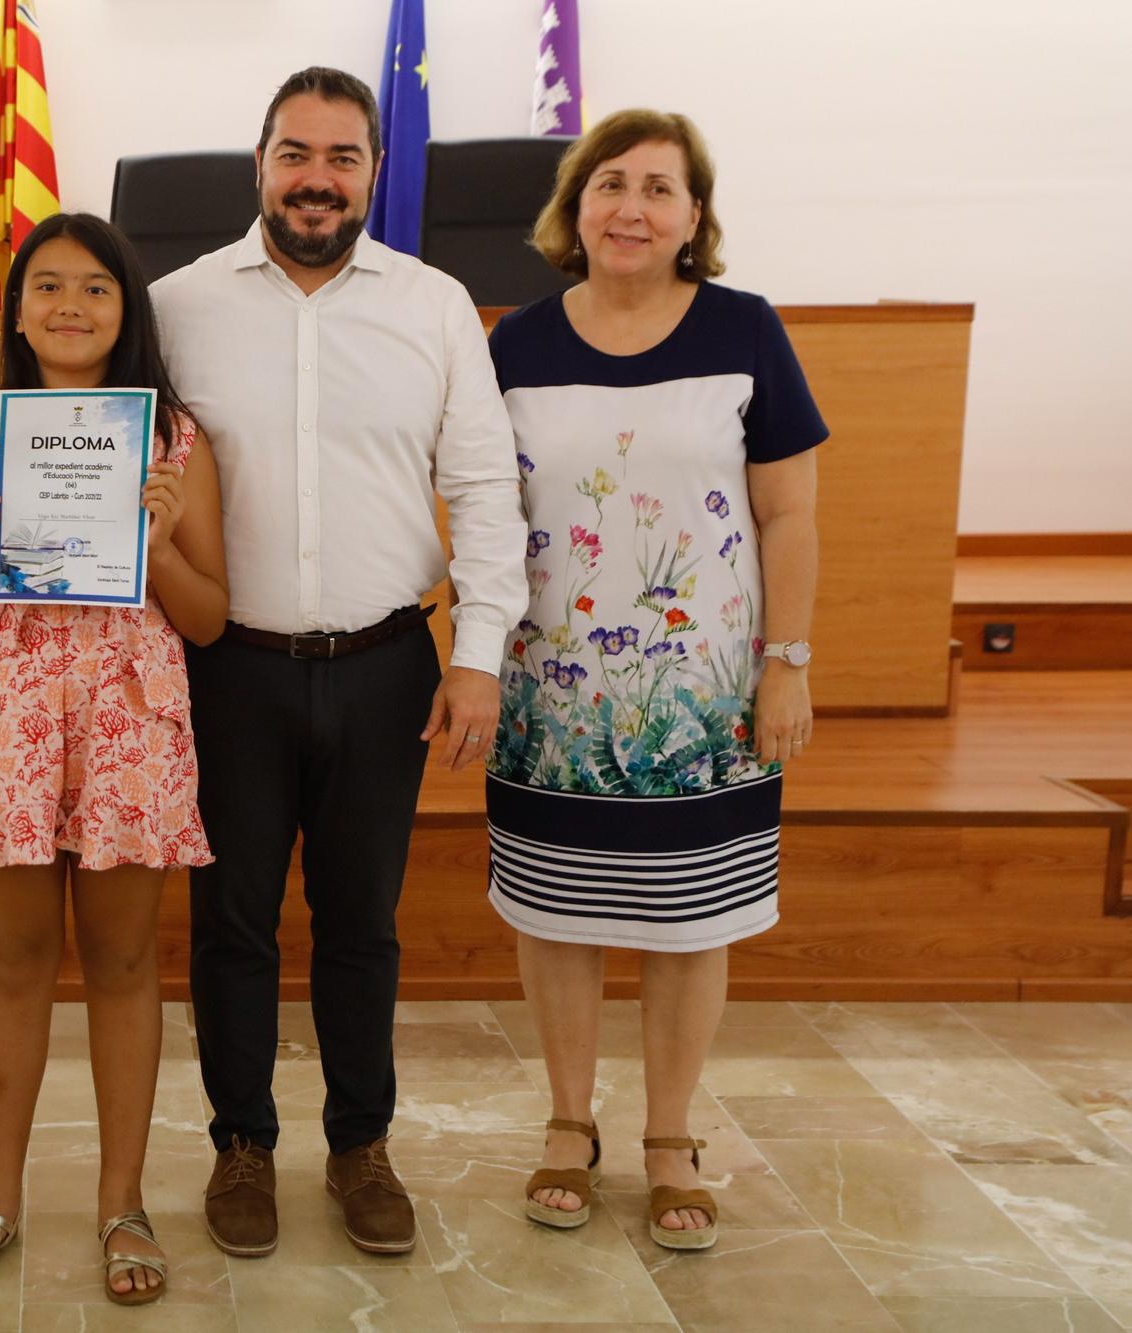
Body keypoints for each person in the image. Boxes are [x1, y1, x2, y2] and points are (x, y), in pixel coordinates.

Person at [151, 67, 529, 1259]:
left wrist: (476, 657)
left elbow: (481, 487)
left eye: (342, 156)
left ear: (374, 170)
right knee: (232, 923)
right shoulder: (174, 305)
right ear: (256, 164)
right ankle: (242, 1148)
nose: (317, 178)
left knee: (361, 921)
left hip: (383, 666)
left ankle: (361, 1144)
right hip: (228, 669)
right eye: (294, 153)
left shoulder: (432, 305)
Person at [485, 109, 823, 1251]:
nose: (630, 206)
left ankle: (669, 1137)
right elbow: (485, 517)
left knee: (691, 919)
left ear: (693, 217)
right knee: (558, 910)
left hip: (704, 696)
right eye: (608, 183)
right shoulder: (513, 344)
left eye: (658, 188)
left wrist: (786, 665)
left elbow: (786, 511)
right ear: (573, 206)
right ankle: (566, 1123)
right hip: (554, 697)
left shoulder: (744, 330)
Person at [0, 212, 228, 1304]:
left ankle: (122, 1204)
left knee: (125, 965)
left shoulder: (175, 442)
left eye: (95, 288)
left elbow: (210, 619)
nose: (70, 307)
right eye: (46, 286)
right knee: (10, 964)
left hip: (128, 720)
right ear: (15, 310)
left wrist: (160, 542)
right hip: (4, 720)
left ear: (126, 309)